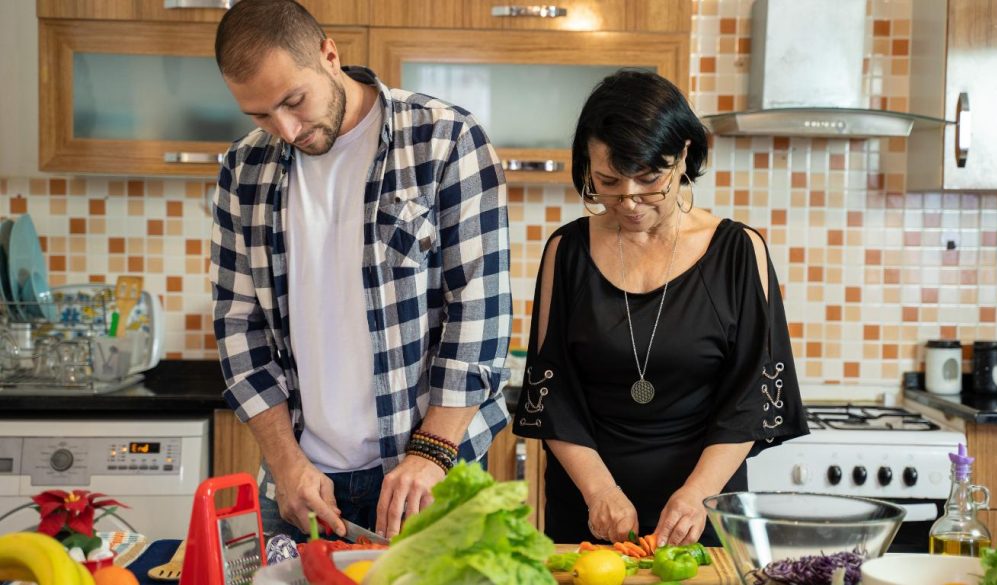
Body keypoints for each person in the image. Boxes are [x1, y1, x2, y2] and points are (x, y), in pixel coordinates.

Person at [210, 0, 512, 542]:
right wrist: (285, 463)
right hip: (303, 483)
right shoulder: (243, 169)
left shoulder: (445, 140)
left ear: (330, 55)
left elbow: (479, 312)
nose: (284, 128)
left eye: (293, 101)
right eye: (259, 115)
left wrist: (432, 452)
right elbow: (239, 325)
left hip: (430, 475)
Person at [513, 70, 809, 547]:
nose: (628, 201)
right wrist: (600, 490)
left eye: (650, 179)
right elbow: (552, 392)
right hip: (589, 507)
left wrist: (696, 496)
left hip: (703, 508)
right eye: (608, 181)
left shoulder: (738, 251)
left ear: (684, 155)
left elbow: (752, 397)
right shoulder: (566, 252)